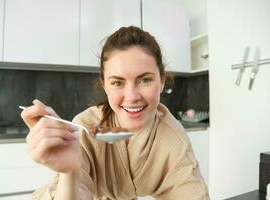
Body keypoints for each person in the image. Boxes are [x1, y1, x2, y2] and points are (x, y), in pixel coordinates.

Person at [21, 26, 209, 200]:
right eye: (117, 83)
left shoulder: (173, 137)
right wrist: (69, 174)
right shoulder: (85, 128)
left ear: (162, 80)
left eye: (145, 80)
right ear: (105, 85)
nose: (132, 96)